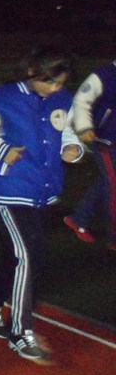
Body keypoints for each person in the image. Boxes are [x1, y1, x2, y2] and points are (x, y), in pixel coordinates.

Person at [0, 46, 83, 363]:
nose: (56, 88)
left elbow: (68, 133)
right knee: (29, 255)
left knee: (15, 254)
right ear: (33, 72)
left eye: (61, 82)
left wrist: (73, 148)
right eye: (50, 81)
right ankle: (21, 332)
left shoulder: (63, 99)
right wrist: (2, 149)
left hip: (44, 189)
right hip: (10, 188)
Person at [63, 53, 116, 248]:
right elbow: (81, 100)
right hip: (105, 139)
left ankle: (79, 218)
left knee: (108, 180)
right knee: (114, 185)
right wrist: (84, 127)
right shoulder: (106, 74)